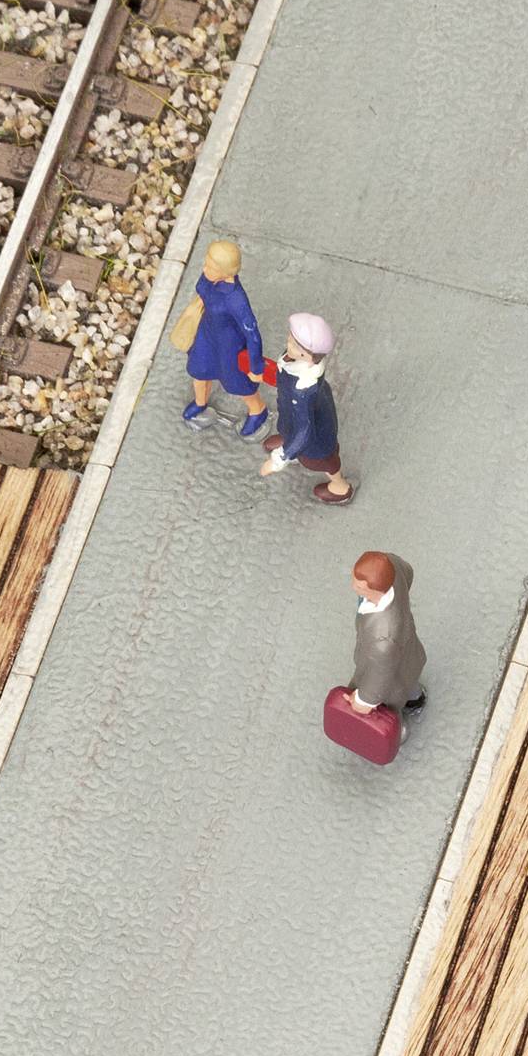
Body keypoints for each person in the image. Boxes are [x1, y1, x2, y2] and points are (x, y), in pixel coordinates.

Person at [170, 238, 268, 435]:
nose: (205, 269)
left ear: (226, 272)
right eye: (206, 263)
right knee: (199, 370)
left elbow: (252, 333)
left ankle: (258, 411)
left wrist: (255, 366)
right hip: (207, 336)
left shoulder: (236, 300)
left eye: (211, 266)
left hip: (229, 347)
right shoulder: (210, 281)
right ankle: (200, 402)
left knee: (238, 383)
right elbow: (201, 288)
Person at [259, 313, 351, 505]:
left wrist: (279, 460)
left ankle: (340, 487)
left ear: (309, 357)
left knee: (324, 460)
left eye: (295, 345)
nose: (288, 345)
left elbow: (304, 430)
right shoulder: (295, 361)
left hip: (314, 437)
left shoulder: (303, 390)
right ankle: (288, 442)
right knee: (287, 428)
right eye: (291, 339)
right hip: (291, 415)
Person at [347, 550, 425, 722]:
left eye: (359, 587)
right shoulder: (393, 566)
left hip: (391, 678)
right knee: (410, 676)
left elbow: (379, 675)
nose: (353, 586)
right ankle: (416, 700)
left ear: (375, 589)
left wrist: (364, 699)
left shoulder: (383, 639)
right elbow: (408, 571)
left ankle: (397, 727)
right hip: (409, 650)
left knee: (391, 701)